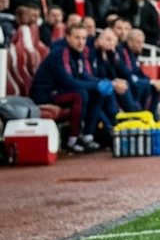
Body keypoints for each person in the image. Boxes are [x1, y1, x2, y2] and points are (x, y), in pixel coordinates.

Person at [29, 21, 119, 153]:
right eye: (77, 38)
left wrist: (104, 83)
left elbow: (84, 76)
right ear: (68, 38)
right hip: (45, 93)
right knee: (80, 94)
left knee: (98, 93)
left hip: (61, 90)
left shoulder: (78, 53)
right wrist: (96, 85)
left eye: (84, 38)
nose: (81, 42)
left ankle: (88, 136)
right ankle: (73, 140)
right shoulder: (60, 52)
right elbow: (68, 81)